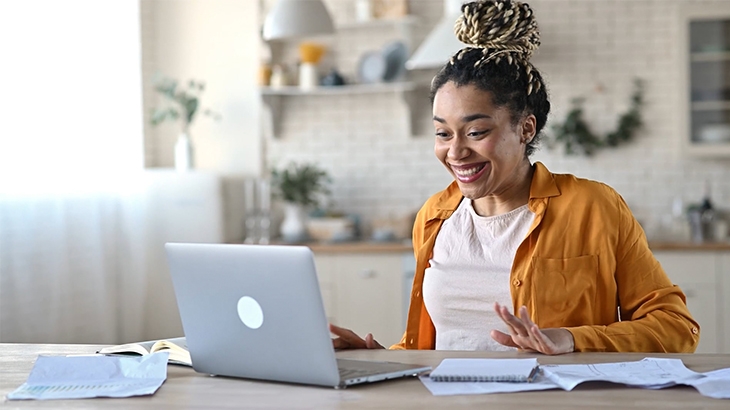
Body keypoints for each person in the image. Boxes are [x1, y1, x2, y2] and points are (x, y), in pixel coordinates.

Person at [330, 0, 699, 354]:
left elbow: (678, 328)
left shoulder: (594, 207)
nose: (455, 151)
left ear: (525, 128)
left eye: (476, 132)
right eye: (443, 133)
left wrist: (572, 340)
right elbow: (438, 343)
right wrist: (381, 358)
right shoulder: (433, 218)